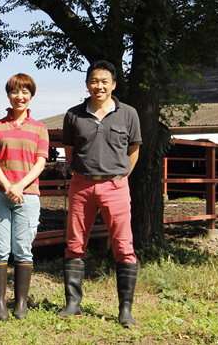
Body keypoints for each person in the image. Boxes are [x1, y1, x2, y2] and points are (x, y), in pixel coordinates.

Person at [58, 60, 142, 327]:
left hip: (115, 185)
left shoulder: (128, 113)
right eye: (94, 81)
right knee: (74, 243)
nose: (99, 86)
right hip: (81, 185)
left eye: (105, 81)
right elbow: (69, 151)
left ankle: (125, 309)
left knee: (123, 246)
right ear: (87, 84)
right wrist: (82, 173)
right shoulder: (73, 114)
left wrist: (120, 175)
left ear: (113, 85)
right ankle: (73, 303)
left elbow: (134, 150)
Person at [0, 73, 49, 321]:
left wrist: (19, 186)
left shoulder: (40, 129)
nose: (19, 97)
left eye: (25, 92)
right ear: (8, 95)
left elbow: (40, 162)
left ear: (31, 96)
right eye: (14, 92)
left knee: (23, 249)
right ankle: (0, 304)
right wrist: (8, 185)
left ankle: (20, 302)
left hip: (28, 195)